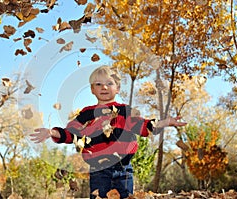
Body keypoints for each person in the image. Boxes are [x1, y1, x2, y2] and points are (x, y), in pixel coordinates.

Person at [30, 65, 187, 198]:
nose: (104, 87)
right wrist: (52, 132)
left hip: (124, 168)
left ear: (117, 88)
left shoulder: (124, 111)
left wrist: (166, 122)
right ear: (92, 89)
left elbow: (144, 125)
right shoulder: (87, 113)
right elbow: (73, 134)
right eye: (98, 84)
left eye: (109, 83)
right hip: (99, 170)